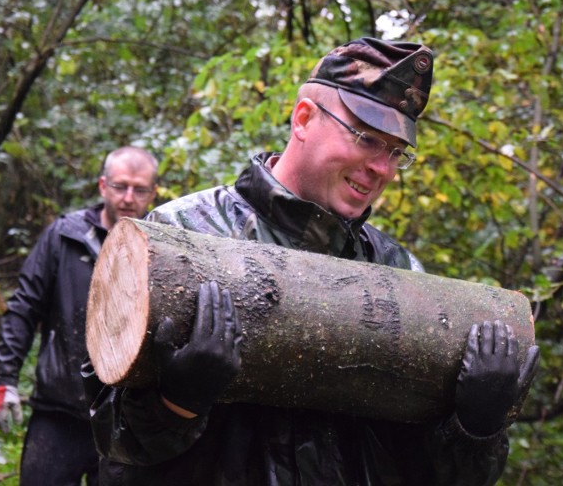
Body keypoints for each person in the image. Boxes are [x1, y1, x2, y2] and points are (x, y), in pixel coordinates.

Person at [86, 38, 540, 485]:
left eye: (396, 152)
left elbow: (424, 469)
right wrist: (176, 402)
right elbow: (107, 434)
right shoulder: (182, 235)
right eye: (367, 138)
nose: (382, 168)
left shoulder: (398, 272)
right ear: (304, 118)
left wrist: (475, 430)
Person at [0, 146, 159, 486]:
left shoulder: (159, 248)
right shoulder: (64, 236)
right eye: (119, 186)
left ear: (153, 193)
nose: (128, 197)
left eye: (139, 189)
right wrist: (3, 380)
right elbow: (24, 308)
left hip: (123, 420)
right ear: (102, 186)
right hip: (58, 410)